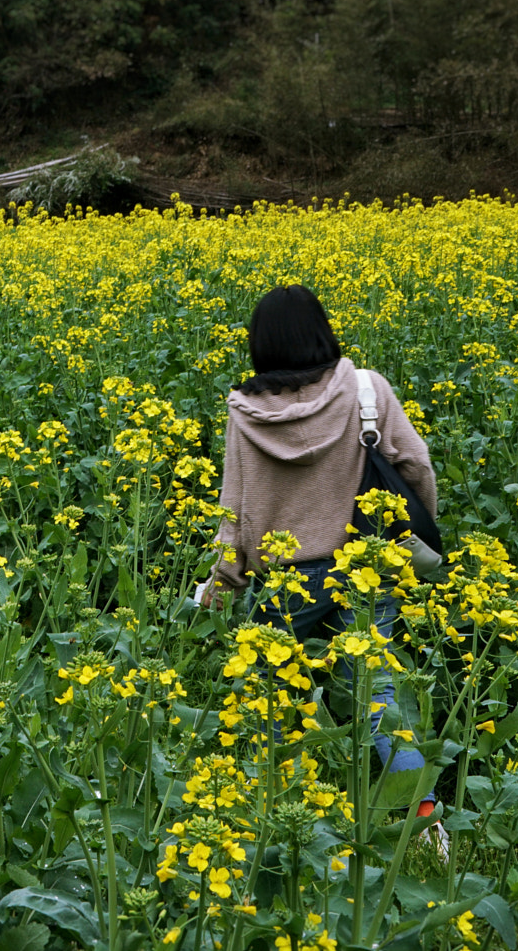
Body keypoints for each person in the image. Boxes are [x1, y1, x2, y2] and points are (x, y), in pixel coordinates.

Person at [192, 284, 445, 846]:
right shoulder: (365, 390)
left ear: (261, 346)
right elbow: (417, 463)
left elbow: (235, 513)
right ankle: (427, 827)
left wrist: (223, 586)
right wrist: (414, 531)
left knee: (271, 702)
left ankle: (272, 825)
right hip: (369, 567)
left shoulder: (244, 414)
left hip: (285, 582)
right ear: (321, 333)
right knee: (376, 698)